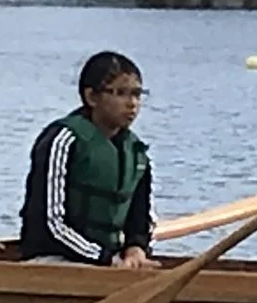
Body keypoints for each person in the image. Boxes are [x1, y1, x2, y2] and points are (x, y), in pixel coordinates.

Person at [20, 51, 155, 267]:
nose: (132, 104)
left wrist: (136, 248)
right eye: (120, 93)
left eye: (137, 94)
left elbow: (141, 218)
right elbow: (51, 223)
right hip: (52, 259)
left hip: (107, 261)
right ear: (92, 97)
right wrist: (104, 259)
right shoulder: (62, 140)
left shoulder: (136, 152)